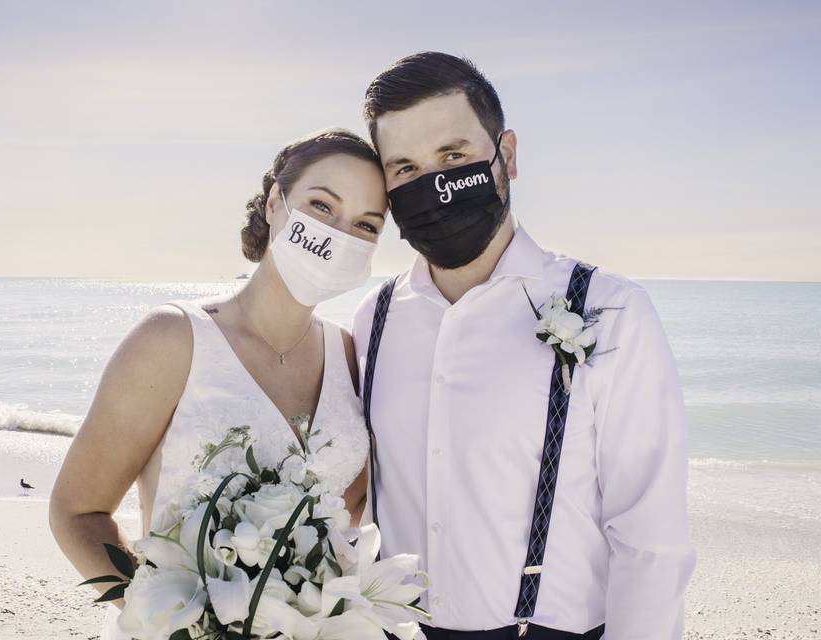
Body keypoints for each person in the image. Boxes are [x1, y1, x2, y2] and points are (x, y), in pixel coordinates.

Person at [353, 52, 696, 639]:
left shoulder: (612, 310)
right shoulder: (373, 321)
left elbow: (649, 535)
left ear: (506, 155)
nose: (433, 184)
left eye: (454, 156)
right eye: (405, 168)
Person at [48, 128, 386, 639]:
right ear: (276, 202)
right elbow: (77, 511)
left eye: (366, 223)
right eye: (322, 206)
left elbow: (346, 519)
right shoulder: (172, 338)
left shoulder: (350, 355)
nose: (339, 234)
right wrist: (182, 623)